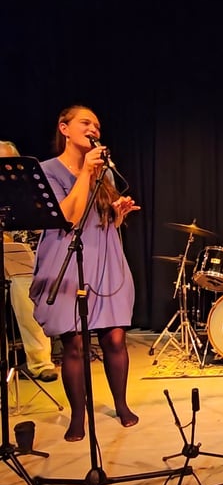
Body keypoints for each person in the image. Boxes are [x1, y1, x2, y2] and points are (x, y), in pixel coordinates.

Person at [29, 105, 141, 441]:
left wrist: (118, 213)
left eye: (97, 125)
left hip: (106, 257)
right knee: (75, 343)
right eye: (85, 122)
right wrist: (84, 175)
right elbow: (68, 218)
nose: (93, 128)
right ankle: (79, 414)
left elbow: (102, 220)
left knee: (116, 338)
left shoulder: (104, 172)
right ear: (64, 128)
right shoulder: (47, 171)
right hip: (67, 257)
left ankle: (121, 404)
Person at [0, 140, 58, 382]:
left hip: (28, 256)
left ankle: (40, 363)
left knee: (24, 291)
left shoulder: (31, 191)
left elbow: (43, 225)